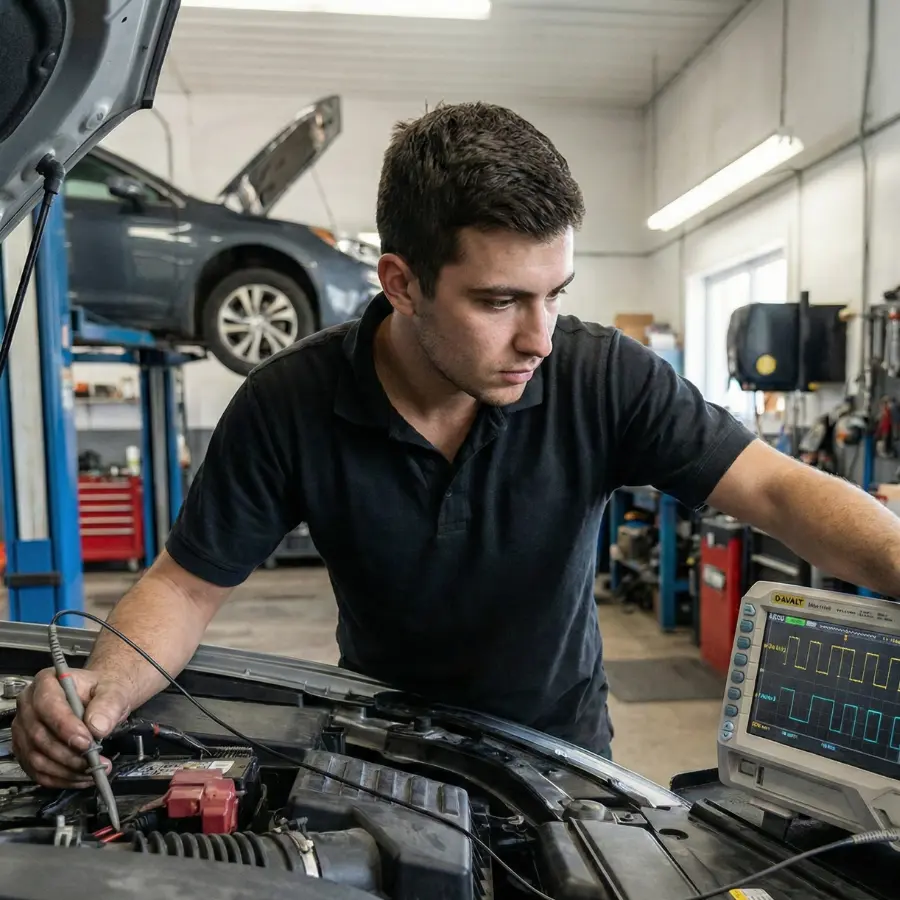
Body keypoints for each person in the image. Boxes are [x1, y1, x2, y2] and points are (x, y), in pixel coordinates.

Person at [12, 102, 900, 789]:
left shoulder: (602, 376)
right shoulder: (290, 403)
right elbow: (185, 584)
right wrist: (103, 691)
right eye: (499, 301)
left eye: (557, 294)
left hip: (563, 763)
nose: (540, 338)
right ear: (401, 283)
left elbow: (775, 490)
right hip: (383, 753)